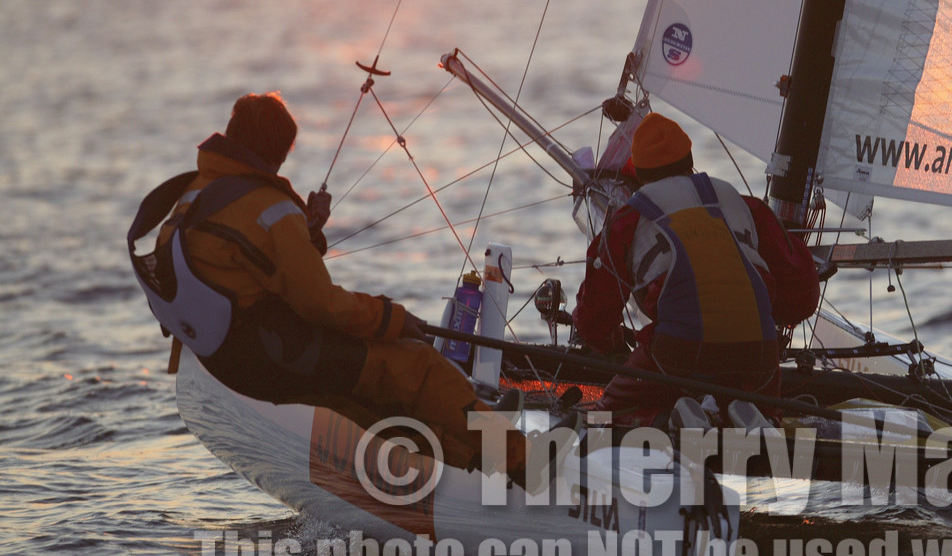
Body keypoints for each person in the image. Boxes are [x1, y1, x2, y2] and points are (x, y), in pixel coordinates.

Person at [132, 92, 520, 478]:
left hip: (227, 361)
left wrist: (308, 231)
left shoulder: (194, 193)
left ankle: (467, 461)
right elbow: (321, 304)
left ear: (233, 137)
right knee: (416, 367)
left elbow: (252, 266)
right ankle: (523, 460)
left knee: (364, 405)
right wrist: (393, 318)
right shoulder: (268, 206)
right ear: (278, 154)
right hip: (275, 354)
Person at [571, 113, 820, 423]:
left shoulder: (626, 220)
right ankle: (757, 417)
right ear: (690, 160)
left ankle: (673, 417)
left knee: (607, 416)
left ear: (639, 173)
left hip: (678, 350)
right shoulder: (744, 204)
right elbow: (803, 293)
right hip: (758, 352)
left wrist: (608, 342)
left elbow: (596, 314)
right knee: (761, 399)